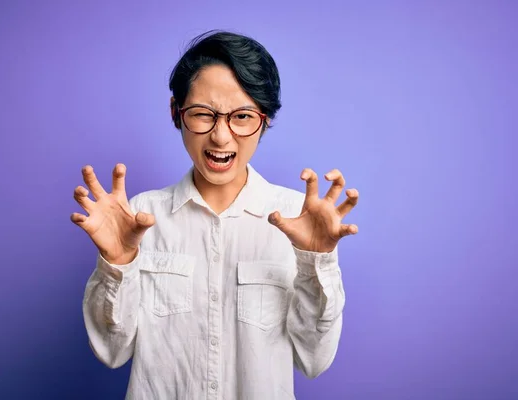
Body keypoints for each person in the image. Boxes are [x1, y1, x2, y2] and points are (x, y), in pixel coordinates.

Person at [72, 30, 359, 400]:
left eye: (242, 116)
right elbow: (112, 352)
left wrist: (315, 261)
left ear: (265, 119)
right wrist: (117, 262)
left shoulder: (297, 218)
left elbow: (313, 361)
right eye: (203, 114)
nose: (221, 137)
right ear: (176, 112)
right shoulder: (139, 217)